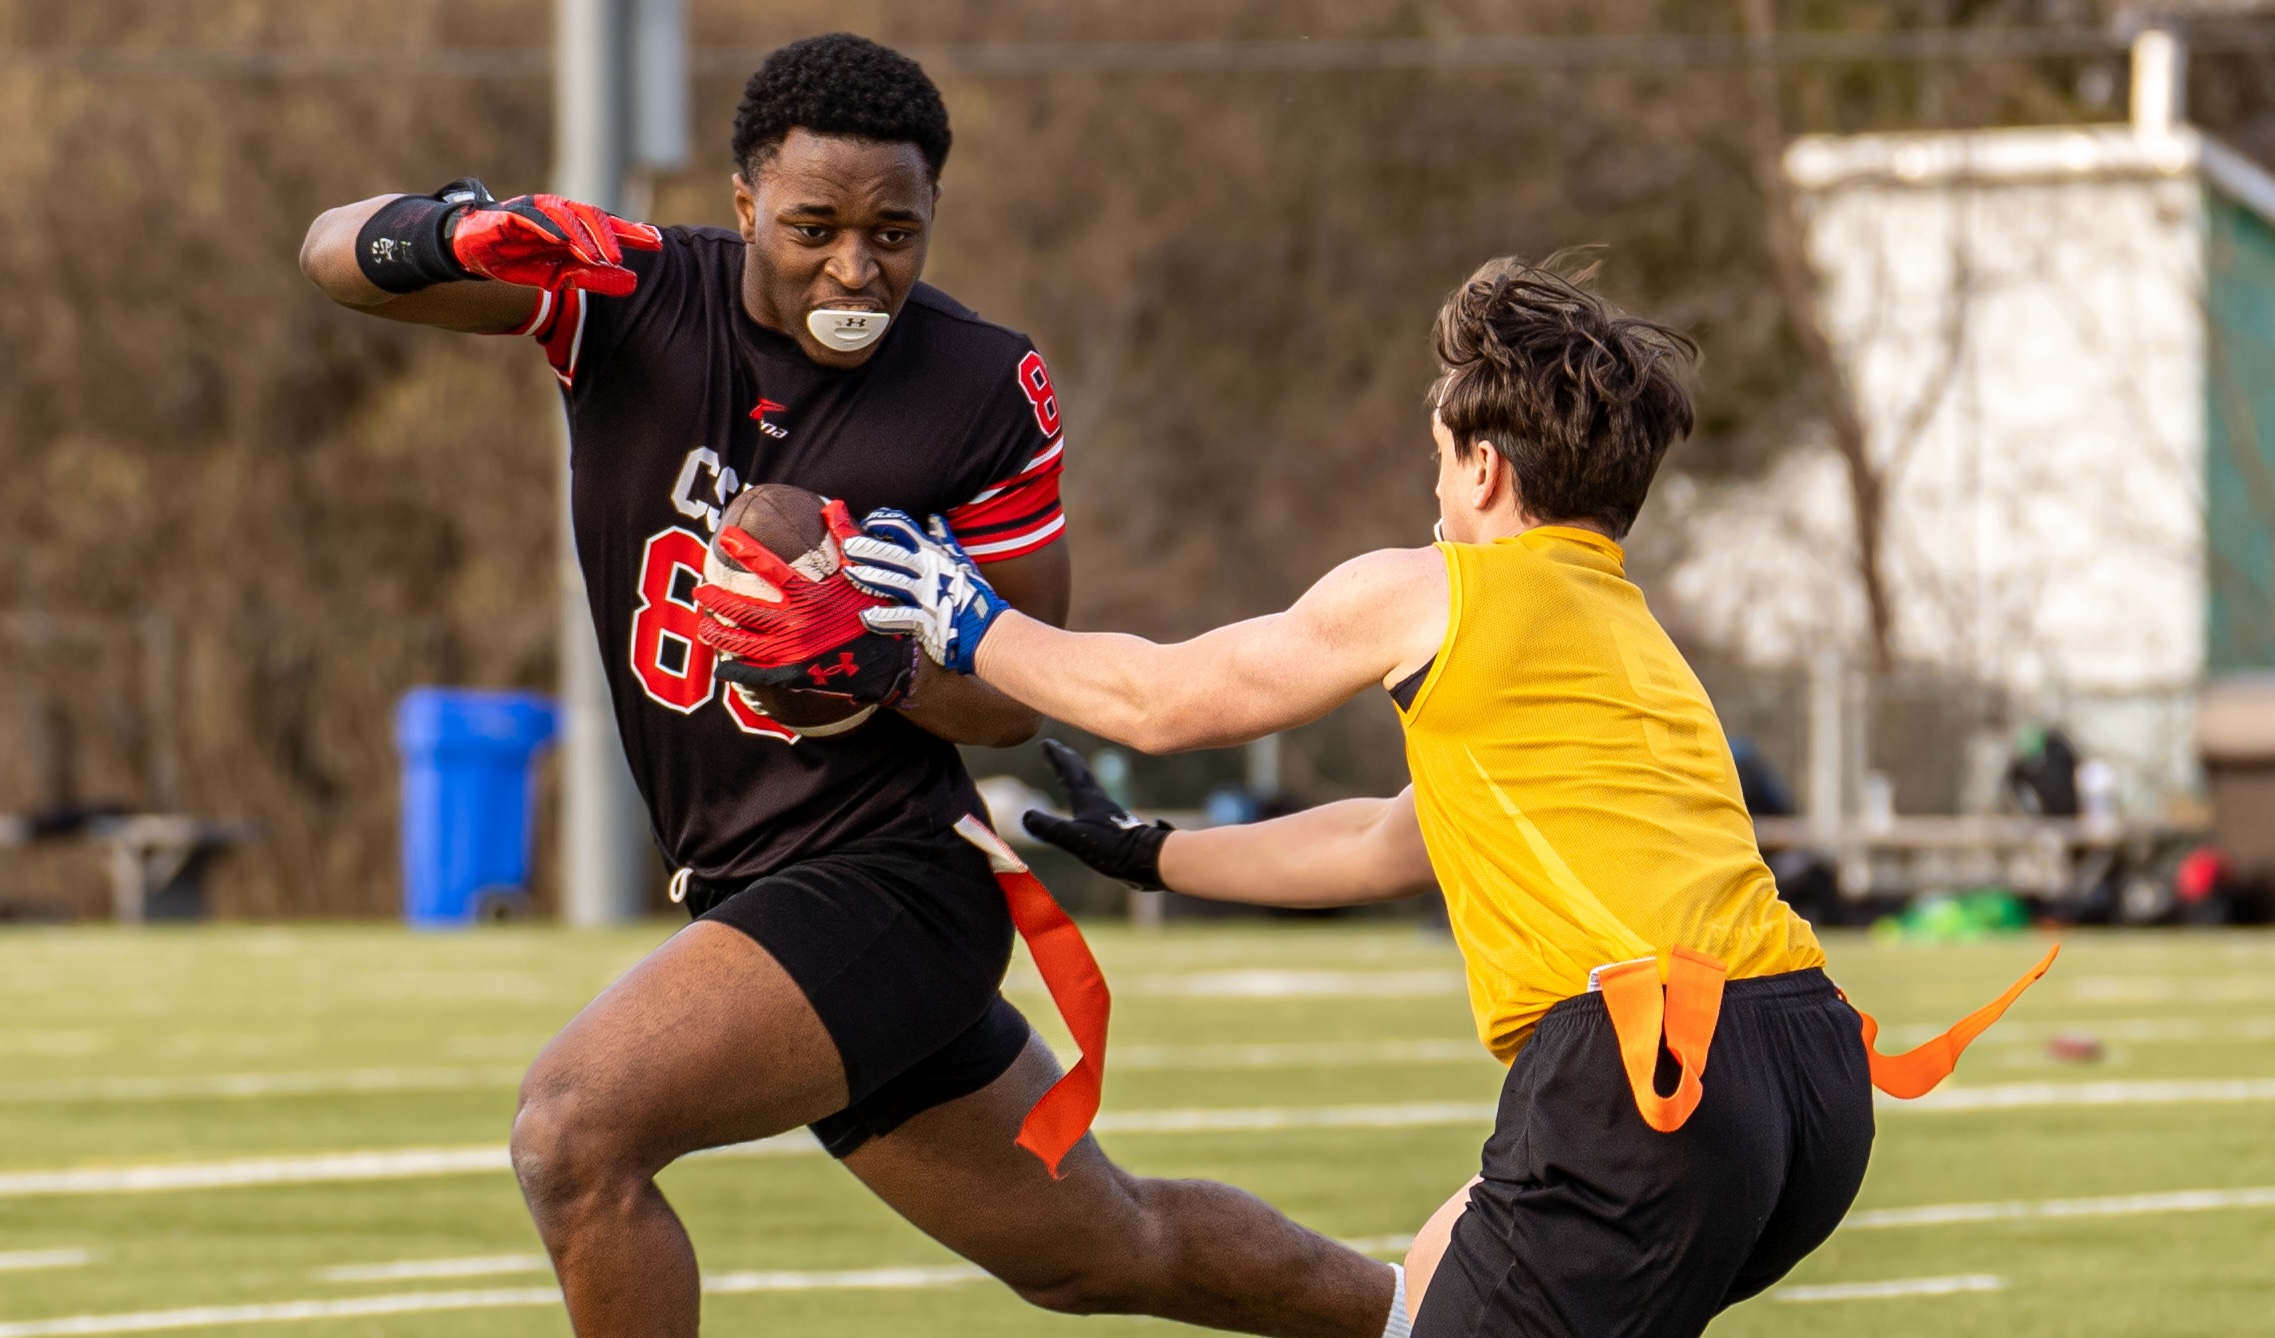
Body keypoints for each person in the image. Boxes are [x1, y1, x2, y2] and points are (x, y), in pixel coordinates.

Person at [300, 32, 1400, 1338]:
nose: (855, 266)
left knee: (574, 1133)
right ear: (745, 200)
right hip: (746, 878)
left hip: (889, 877)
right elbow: (332, 252)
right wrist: (451, 229)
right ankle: (1440, 1316)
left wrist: (875, 661)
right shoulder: (637, 291)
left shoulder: (981, 386)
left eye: (895, 230)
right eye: (815, 225)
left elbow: (1015, 695)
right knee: (1108, 1249)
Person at [846, 255, 2051, 1337]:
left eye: (1437, 461)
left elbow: (1164, 701)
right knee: (1422, 1293)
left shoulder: (1441, 589)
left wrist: (967, 620)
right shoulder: (1625, 635)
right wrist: (1160, 855)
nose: (1430, 498)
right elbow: (1385, 842)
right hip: (1806, 1076)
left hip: (1651, 1075)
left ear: (1482, 465)